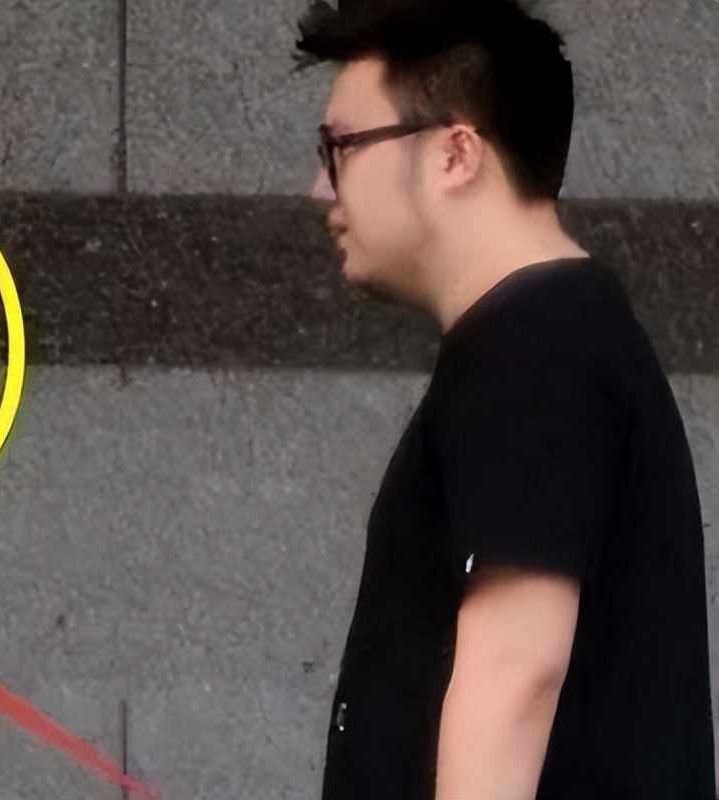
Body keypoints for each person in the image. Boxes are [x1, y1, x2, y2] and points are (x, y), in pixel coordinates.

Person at [293, 0, 716, 797]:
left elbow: (516, 677)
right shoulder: (548, 337)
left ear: (455, 153)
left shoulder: (538, 346)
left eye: (339, 148)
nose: (321, 188)